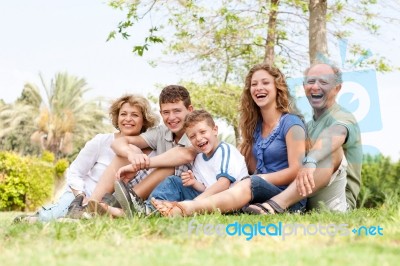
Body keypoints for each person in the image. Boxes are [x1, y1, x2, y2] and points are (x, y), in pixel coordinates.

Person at [151, 63, 307, 217]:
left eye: (265, 83)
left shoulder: (292, 123)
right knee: (175, 181)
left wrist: (258, 178)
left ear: (277, 88)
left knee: (250, 182)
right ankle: (149, 210)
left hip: (286, 197)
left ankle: (185, 208)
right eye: (254, 84)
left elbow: (296, 170)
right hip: (255, 194)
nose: (259, 87)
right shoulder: (255, 127)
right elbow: (250, 167)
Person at [13, 94, 159, 223]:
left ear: (144, 121)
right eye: (123, 114)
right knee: (48, 219)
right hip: (81, 197)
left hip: (111, 205)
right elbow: (75, 172)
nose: (128, 119)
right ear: (117, 117)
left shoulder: (151, 153)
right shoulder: (102, 141)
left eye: (134, 115)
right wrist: (81, 196)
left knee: (70, 222)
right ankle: (35, 218)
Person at [246, 63, 362, 214]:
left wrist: (311, 160)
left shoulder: (343, 116)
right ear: (304, 86)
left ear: (337, 88)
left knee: (331, 151)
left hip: (335, 203)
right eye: (311, 82)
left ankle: (276, 204)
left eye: (323, 82)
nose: (315, 87)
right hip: (303, 202)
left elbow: (335, 134)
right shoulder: (305, 125)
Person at [79, 85, 197, 218]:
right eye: (166, 112)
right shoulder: (162, 131)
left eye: (177, 111)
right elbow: (119, 142)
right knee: (131, 150)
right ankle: (91, 206)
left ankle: (119, 206)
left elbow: (185, 154)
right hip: (157, 189)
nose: (171, 117)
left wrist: (144, 163)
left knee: (169, 166)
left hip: (185, 189)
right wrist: (132, 155)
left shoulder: (198, 131)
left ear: (190, 110)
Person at [115, 109, 249, 216]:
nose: (199, 138)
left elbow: (224, 184)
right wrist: (194, 183)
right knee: (174, 181)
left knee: (175, 183)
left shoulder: (225, 151)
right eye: (192, 136)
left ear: (215, 130)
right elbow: (206, 187)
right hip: (209, 197)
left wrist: (195, 203)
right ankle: (148, 209)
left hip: (231, 202)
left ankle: (146, 209)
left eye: (202, 132)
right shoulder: (201, 157)